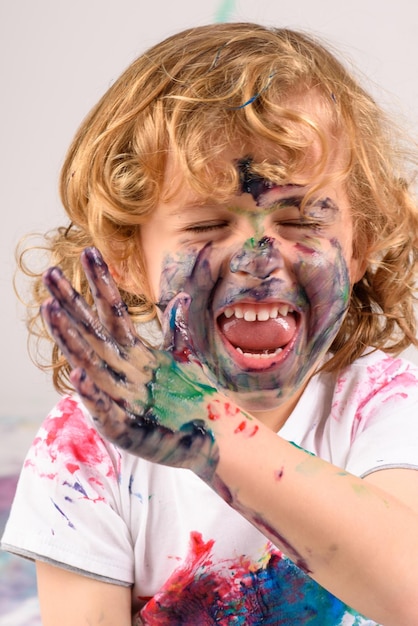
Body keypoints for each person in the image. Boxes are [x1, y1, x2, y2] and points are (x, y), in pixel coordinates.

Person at [2, 21, 418, 626]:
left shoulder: (384, 404)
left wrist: (209, 434)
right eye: (204, 225)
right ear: (127, 258)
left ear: (361, 245)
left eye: (301, 220)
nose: (257, 260)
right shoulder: (86, 447)